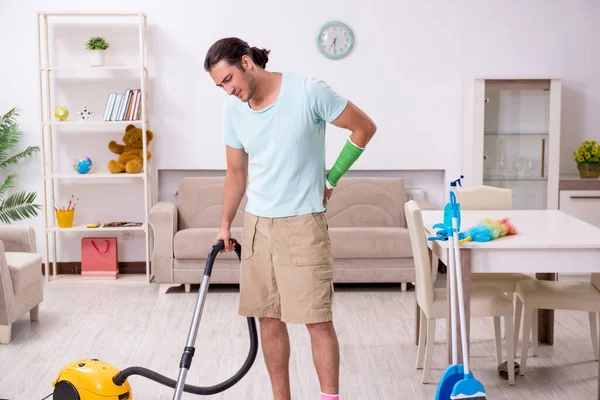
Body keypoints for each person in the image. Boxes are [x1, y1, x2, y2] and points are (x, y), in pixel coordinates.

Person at [204, 37, 376, 400]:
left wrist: (331, 179)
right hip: (256, 226)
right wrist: (225, 225)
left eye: (228, 79)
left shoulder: (308, 92)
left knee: (317, 321)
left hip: (302, 224)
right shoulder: (233, 111)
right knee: (268, 319)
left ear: (247, 63)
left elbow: (364, 128)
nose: (227, 90)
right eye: (220, 85)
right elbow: (236, 172)